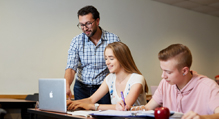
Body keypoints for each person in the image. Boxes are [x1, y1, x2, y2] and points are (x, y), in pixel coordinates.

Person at [122, 44, 219, 119]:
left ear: (184, 71)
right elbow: (147, 108)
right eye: (162, 70)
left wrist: (202, 117)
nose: (162, 76)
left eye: (168, 72)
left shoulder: (209, 86)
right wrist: (128, 108)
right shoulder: (165, 83)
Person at [67, 42, 148, 111]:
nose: (107, 62)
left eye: (111, 58)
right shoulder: (110, 78)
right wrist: (72, 102)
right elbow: (91, 99)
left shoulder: (137, 78)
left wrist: (92, 106)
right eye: (106, 59)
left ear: (122, 59)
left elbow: (124, 107)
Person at [64, 5, 120, 104]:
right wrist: (66, 85)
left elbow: (118, 66)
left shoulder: (113, 39)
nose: (85, 28)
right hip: (81, 88)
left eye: (88, 24)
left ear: (97, 21)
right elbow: (71, 67)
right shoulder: (76, 41)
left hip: (103, 88)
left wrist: (108, 81)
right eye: (81, 25)